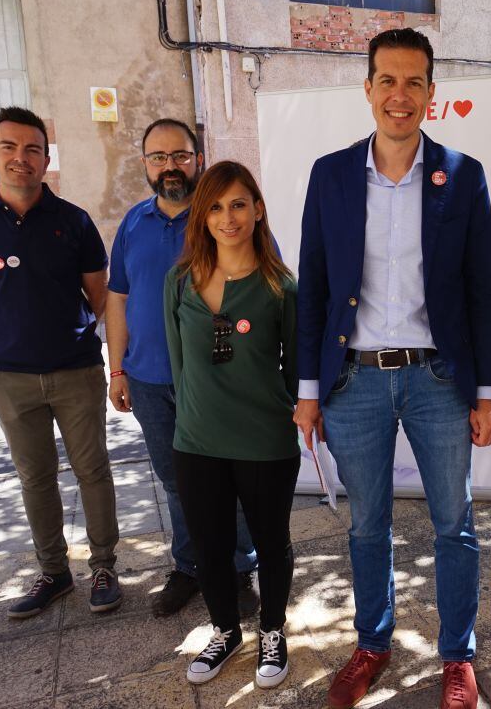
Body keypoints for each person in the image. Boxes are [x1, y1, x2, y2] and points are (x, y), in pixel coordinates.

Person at [294, 27, 491, 709]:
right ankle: (373, 643)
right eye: (387, 80)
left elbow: (483, 289)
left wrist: (486, 390)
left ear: (432, 94)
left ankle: (457, 656)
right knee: (366, 525)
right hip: (354, 380)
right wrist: (308, 390)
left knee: (455, 524)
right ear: (368, 89)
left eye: (414, 82)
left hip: (438, 379)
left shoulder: (461, 176)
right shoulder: (330, 174)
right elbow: (315, 288)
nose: (400, 95)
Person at [0, 106, 122, 618]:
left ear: (46, 158)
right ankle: (54, 572)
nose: (20, 159)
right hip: (9, 377)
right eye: (9, 147)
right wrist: (16, 337)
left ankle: (105, 567)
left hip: (75, 370)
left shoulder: (73, 221)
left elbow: (99, 297)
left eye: (31, 149)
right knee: (35, 477)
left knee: (93, 470)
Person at [106, 118, 260, 619]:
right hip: (150, 380)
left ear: (198, 158)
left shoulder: (224, 217)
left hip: (218, 380)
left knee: (229, 479)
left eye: (179, 155)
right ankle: (191, 567)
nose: (169, 166)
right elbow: (118, 297)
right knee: (176, 481)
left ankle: (238, 569)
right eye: (158, 157)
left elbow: (267, 289)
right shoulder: (133, 223)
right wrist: (117, 369)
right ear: (146, 164)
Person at [164, 160, 299, 688]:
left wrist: (284, 408)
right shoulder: (178, 283)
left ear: (258, 209)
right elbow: (179, 366)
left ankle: (272, 630)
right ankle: (224, 630)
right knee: (210, 545)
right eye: (216, 207)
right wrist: (197, 415)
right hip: (197, 441)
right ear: (202, 216)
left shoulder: (280, 286)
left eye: (239, 204)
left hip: (266, 441)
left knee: (271, 542)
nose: (228, 217)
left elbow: (294, 364)